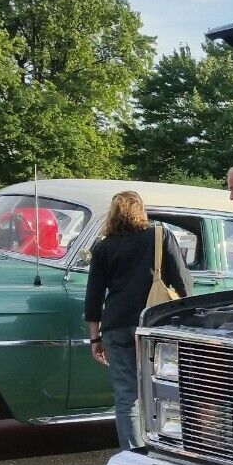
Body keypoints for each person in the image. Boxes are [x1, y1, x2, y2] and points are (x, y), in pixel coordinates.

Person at [84, 191, 190, 451]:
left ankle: (133, 452)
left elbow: (94, 295)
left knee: (127, 395)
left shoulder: (103, 246)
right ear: (141, 211)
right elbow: (184, 283)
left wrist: (95, 337)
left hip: (116, 326)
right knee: (165, 389)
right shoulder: (160, 236)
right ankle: (168, 446)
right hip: (154, 325)